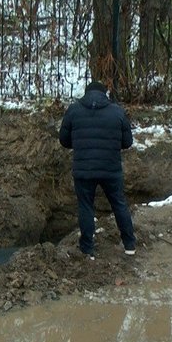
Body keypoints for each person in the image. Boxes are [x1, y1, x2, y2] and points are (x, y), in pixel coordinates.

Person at [59, 81, 136, 259]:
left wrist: (80, 144)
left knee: (86, 207)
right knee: (119, 204)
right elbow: (127, 142)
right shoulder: (117, 111)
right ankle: (129, 245)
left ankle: (87, 249)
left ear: (86, 93)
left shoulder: (73, 110)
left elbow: (63, 140)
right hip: (111, 168)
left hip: (83, 169)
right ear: (105, 94)